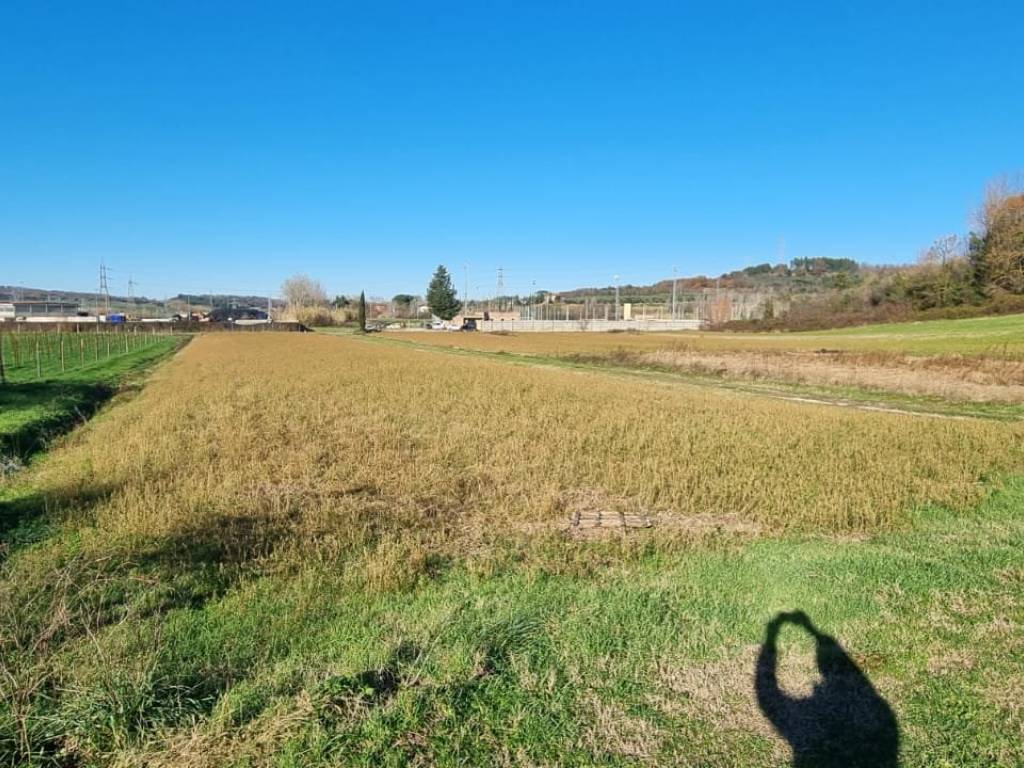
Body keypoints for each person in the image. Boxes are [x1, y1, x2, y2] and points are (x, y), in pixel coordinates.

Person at [755, 611, 899, 767]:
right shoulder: (882, 719)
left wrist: (772, 633)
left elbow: (767, 696)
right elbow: (768, 696)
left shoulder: (883, 719)